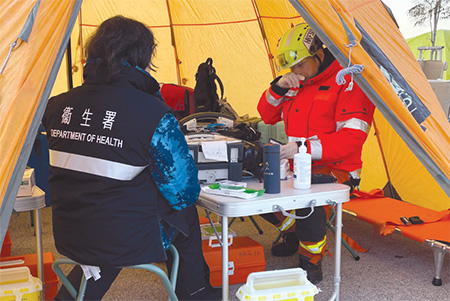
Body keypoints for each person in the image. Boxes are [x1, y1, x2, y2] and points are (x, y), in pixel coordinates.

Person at [41, 16, 220, 300]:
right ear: (141, 55)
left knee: (109, 222)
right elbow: (184, 191)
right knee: (182, 213)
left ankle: (70, 296)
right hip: (121, 236)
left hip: (70, 228)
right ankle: (195, 294)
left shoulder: (55, 106)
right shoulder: (153, 113)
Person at [257, 23, 375, 284]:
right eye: (291, 67)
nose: (295, 71)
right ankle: (295, 231)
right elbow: (267, 114)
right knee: (255, 189)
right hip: (297, 162)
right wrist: (277, 88)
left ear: (320, 55)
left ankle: (311, 258)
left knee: (307, 198)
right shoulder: (296, 83)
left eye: (300, 64)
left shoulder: (349, 83)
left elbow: (351, 140)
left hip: (338, 168)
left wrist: (301, 149)